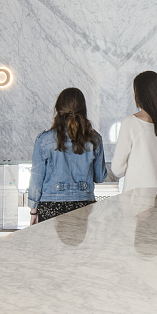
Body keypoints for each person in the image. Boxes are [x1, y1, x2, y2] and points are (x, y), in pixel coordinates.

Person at [27, 87, 106, 223]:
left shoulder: (43, 140)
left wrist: (33, 210)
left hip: (50, 206)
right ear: (83, 109)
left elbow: (36, 179)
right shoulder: (95, 139)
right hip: (83, 204)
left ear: (58, 110)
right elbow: (99, 177)